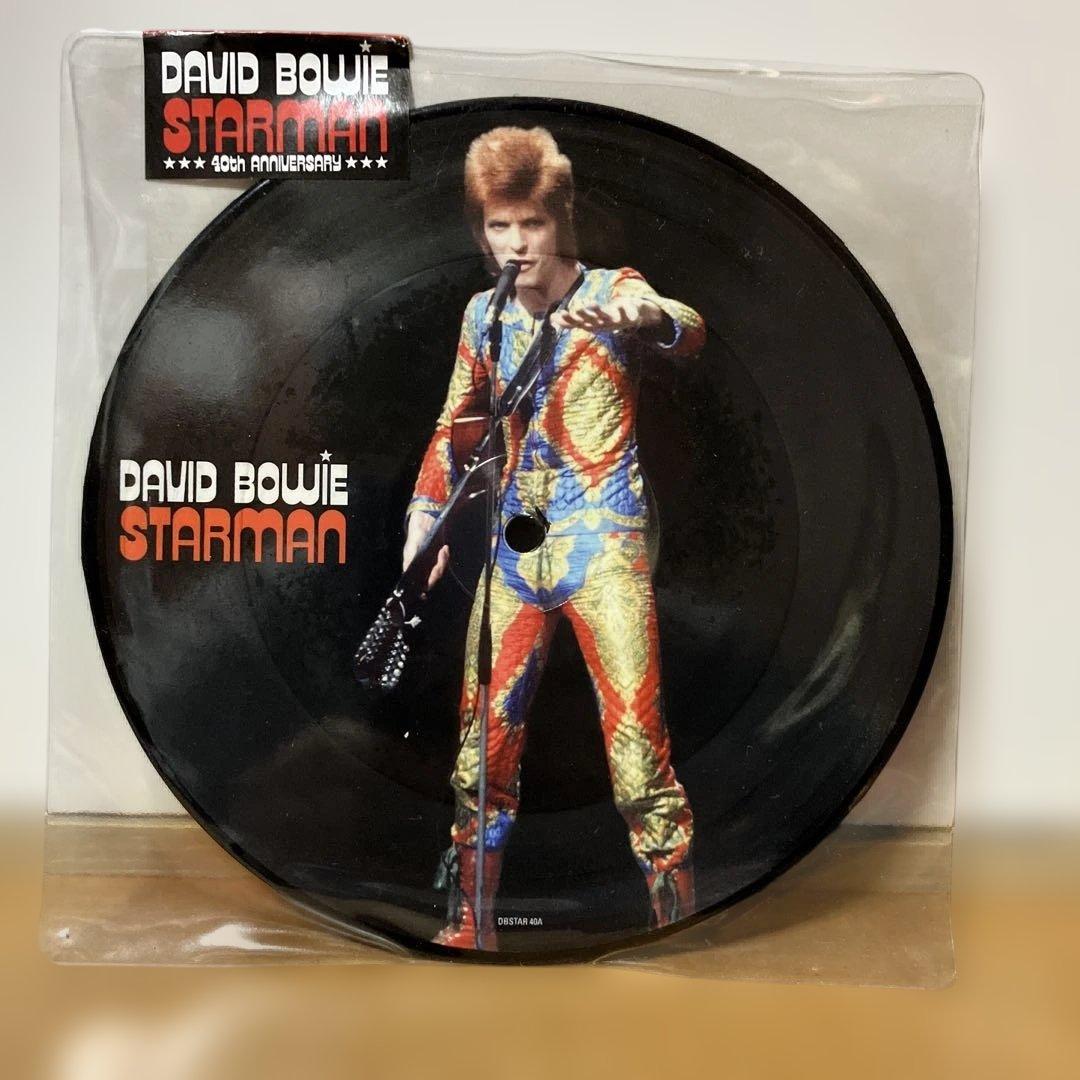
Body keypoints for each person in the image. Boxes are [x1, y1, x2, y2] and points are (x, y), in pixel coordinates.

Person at [403, 126, 705, 950]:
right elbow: (455, 423)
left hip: (604, 548)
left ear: (559, 220)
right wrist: (424, 516)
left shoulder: (613, 288)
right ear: (481, 232)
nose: (516, 243)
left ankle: (679, 929)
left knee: (638, 763)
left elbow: (686, 327)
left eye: (531, 223)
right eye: (499, 225)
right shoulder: (483, 314)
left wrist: (650, 315)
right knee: (480, 757)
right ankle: (471, 927)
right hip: (514, 556)